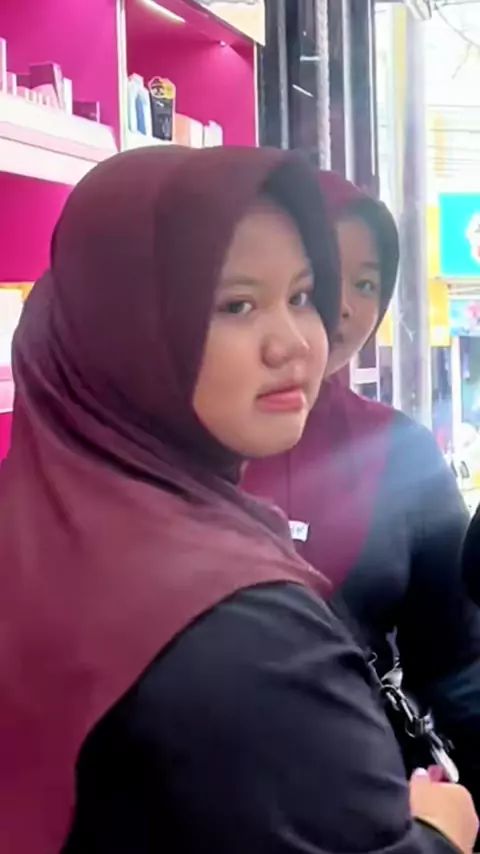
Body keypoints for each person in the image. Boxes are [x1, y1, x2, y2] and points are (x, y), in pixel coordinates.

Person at [0, 147, 476, 854]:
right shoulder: (243, 626)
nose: (297, 343)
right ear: (124, 325)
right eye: (236, 305)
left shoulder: (42, 517)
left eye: (304, 296)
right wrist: (439, 830)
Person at [244, 171, 480, 806]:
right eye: (319, 275)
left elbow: (455, 661)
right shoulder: (161, 457)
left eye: (368, 283)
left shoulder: (400, 453)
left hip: (357, 798)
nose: (344, 305)